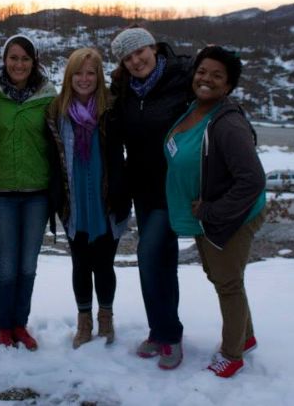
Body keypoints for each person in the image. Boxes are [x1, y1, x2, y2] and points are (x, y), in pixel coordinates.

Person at [164, 45, 266, 378]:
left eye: (217, 75)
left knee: (228, 284)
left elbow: (253, 180)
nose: (206, 79)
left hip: (231, 217)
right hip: (207, 216)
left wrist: (213, 210)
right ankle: (246, 336)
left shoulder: (228, 123)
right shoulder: (195, 108)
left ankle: (233, 353)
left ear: (229, 85)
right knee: (221, 277)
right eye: (202, 71)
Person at [109, 26, 193, 370]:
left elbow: (213, 111)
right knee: (162, 261)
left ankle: (169, 334)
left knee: (148, 254)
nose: (135, 61)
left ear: (153, 48)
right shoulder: (125, 90)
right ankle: (160, 331)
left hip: (172, 188)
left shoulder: (181, 79)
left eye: (139, 52)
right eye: (127, 58)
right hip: (141, 189)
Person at [46, 47, 130, 349]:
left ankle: (106, 317)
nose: (84, 79)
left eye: (90, 73)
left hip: (107, 199)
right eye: (78, 73)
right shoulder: (56, 111)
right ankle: (84, 320)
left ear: (99, 76)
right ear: (69, 76)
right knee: (81, 263)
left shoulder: (112, 108)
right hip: (74, 199)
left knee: (104, 264)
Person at [0, 34, 56, 350]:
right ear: (4, 59)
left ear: (34, 62)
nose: (19, 64)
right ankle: (3, 326)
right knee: (7, 265)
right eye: (13, 58)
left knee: (28, 265)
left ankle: (19, 325)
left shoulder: (47, 96)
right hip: (1, 192)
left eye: (25, 58)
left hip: (37, 192)